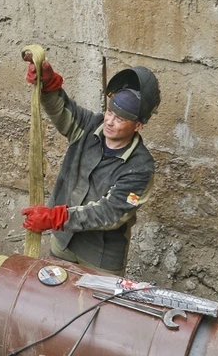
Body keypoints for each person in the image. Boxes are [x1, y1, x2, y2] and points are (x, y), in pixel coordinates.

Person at [20, 55, 160, 275]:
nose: (110, 122)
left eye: (120, 118)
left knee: (94, 309)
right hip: (63, 242)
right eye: (110, 112)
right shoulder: (88, 127)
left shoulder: (140, 168)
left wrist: (55, 218)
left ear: (138, 125)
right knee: (51, 300)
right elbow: (61, 110)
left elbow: (110, 213)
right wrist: (47, 84)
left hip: (100, 258)